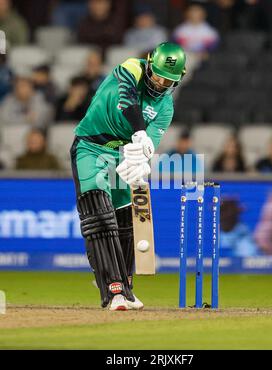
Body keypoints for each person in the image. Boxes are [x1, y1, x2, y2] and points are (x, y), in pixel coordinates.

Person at [70, 42, 186, 311]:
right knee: (98, 215)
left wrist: (141, 161)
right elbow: (127, 100)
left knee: (125, 219)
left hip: (120, 156)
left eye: (168, 80)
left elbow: (147, 146)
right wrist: (139, 132)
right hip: (90, 146)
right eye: (158, 75)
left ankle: (125, 286)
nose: (160, 83)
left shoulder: (166, 108)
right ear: (149, 65)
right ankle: (113, 291)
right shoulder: (131, 67)